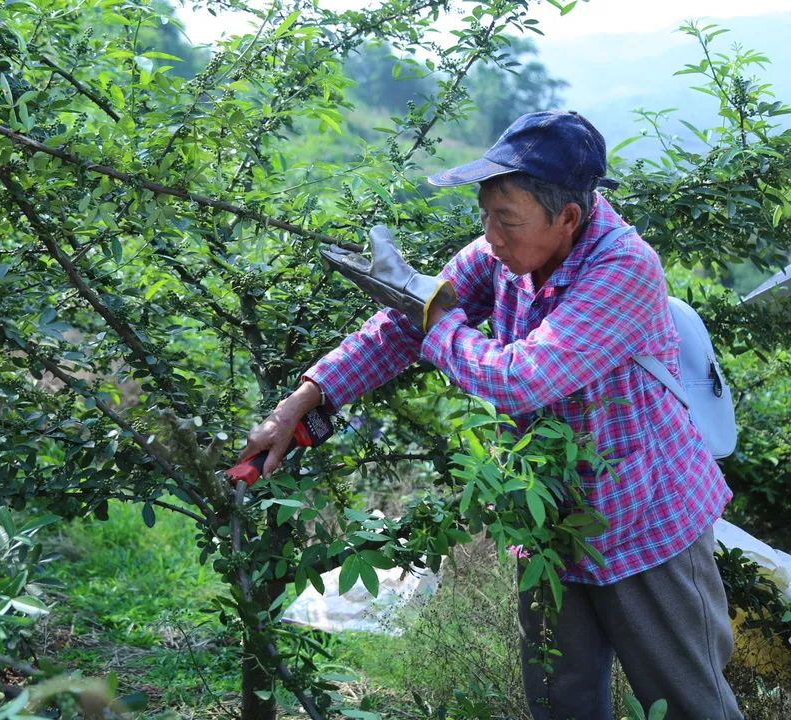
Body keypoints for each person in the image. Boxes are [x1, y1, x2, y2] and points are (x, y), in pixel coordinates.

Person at [239, 110, 742, 720]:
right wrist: (306, 397)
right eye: (485, 215)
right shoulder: (500, 256)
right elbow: (402, 327)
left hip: (646, 523)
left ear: (567, 218)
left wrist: (435, 315)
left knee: (691, 705)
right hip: (550, 525)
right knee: (562, 703)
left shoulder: (624, 269)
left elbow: (520, 380)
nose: (491, 235)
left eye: (507, 219)